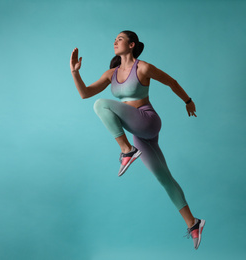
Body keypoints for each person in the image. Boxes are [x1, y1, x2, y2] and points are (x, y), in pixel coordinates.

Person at [70, 30, 205, 250]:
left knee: (100, 105)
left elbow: (171, 82)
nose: (115, 42)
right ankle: (193, 223)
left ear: (132, 45)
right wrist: (75, 73)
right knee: (165, 178)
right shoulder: (110, 73)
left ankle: (127, 150)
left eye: (120, 39)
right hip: (138, 133)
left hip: (147, 120)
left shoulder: (143, 68)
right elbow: (85, 93)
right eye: (114, 40)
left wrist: (188, 101)